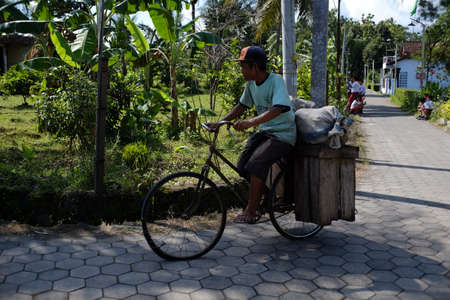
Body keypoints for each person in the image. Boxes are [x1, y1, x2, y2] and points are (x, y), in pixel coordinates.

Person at [207, 46, 296, 224]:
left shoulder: (275, 80)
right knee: (242, 165)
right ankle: (265, 199)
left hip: (282, 134)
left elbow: (278, 108)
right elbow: (241, 106)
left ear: (255, 67)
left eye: (244, 67)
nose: (242, 71)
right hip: (265, 132)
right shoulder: (251, 85)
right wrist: (220, 122)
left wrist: (250, 122)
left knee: (256, 164)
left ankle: (251, 210)